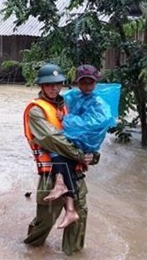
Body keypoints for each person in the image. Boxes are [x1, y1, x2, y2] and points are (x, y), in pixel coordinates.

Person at [22, 63, 99, 256]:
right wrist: (81, 155)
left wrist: (93, 154)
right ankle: (30, 252)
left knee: (78, 223)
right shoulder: (36, 111)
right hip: (52, 177)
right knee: (44, 224)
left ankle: (73, 254)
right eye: (49, 84)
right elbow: (52, 139)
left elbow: (86, 134)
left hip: (76, 174)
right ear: (41, 86)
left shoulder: (69, 106)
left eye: (57, 83)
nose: (54, 87)